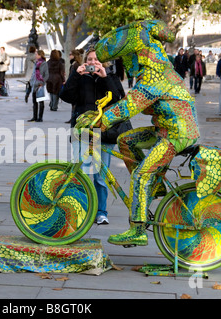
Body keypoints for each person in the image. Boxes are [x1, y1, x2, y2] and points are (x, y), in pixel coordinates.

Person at [76, 20, 199, 245]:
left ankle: (137, 230)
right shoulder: (153, 71)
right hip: (165, 129)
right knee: (126, 140)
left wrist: (101, 121)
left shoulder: (157, 74)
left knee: (142, 175)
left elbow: (132, 104)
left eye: (128, 58)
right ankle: (157, 185)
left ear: (138, 55)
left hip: (177, 134)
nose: (128, 63)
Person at [60, 47, 131, 225]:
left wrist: (105, 77)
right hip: (82, 130)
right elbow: (66, 96)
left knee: (100, 175)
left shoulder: (110, 76)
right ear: (85, 61)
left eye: (96, 60)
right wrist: (76, 75)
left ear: (103, 62)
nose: (92, 63)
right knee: (80, 172)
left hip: (104, 132)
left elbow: (118, 98)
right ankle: (81, 210)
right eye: (89, 59)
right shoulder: (80, 77)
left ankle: (101, 211)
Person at [28, 49, 49, 122]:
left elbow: (46, 75)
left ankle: (40, 117)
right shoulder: (36, 63)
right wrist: (31, 82)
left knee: (40, 102)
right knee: (34, 102)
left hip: (40, 85)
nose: (35, 55)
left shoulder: (44, 63)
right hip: (34, 84)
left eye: (36, 54)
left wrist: (42, 83)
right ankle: (34, 116)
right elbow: (34, 74)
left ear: (40, 55)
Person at [64, 49, 83, 123]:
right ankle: (73, 117)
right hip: (74, 86)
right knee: (73, 104)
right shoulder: (74, 64)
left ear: (74, 56)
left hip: (75, 87)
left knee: (74, 104)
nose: (69, 56)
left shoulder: (76, 65)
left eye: (70, 54)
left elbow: (74, 76)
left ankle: (74, 118)